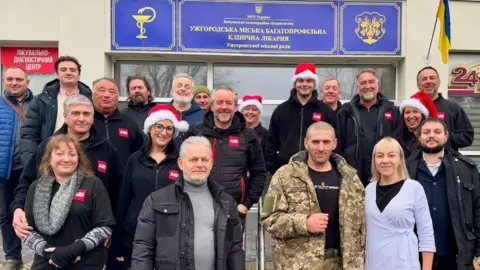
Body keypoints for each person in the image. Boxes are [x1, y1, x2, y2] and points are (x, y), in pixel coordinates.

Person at [12, 95, 123, 242]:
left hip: (92, 231)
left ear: (92, 118)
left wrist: (110, 227)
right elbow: (27, 180)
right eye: (75, 113)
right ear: (65, 116)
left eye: (86, 114)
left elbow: (118, 190)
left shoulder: (106, 148)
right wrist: (18, 208)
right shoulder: (48, 146)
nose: (82, 118)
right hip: (51, 233)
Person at [261, 121, 365, 269]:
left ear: (334, 144)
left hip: (341, 264)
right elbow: (268, 218)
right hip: (298, 264)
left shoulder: (350, 178)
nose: (321, 148)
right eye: (315, 142)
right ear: (306, 143)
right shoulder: (285, 176)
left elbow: (362, 226)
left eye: (326, 142)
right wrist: (304, 223)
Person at [131, 136, 245, 270]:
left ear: (211, 163)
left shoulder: (226, 202)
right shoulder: (156, 201)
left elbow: (235, 249)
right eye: (193, 159)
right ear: (180, 163)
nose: (200, 164)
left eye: (205, 160)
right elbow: (143, 249)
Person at [23, 135, 115, 269]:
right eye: (59, 154)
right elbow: (26, 231)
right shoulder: (36, 187)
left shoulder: (93, 184)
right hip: (46, 261)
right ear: (49, 158)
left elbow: (105, 227)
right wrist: (50, 253)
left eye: (72, 154)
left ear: (79, 158)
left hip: (85, 260)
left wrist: (74, 250)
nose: (66, 159)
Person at [113, 104, 187, 268]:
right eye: (159, 126)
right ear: (150, 128)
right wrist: (118, 241)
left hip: (170, 237)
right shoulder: (135, 160)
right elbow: (124, 200)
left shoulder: (180, 162)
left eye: (169, 128)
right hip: (136, 235)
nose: (164, 132)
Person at [185, 87, 266, 228]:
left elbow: (259, 172)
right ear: (211, 106)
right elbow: (182, 167)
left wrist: (245, 205)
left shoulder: (248, 136)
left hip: (233, 211)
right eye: (219, 102)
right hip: (197, 209)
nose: (224, 107)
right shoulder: (195, 132)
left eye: (228, 103)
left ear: (235, 107)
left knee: (230, 250)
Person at [407, 117, 480, 270]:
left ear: (446, 137)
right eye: (426, 132)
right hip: (413, 255)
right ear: (419, 137)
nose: (431, 135)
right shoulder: (404, 168)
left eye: (437, 132)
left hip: (454, 255)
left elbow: (478, 209)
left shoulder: (467, 169)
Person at [365, 137, 435, 269]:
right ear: (374, 160)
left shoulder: (414, 188)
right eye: (380, 156)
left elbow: (426, 233)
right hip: (374, 262)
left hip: (404, 262)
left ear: (400, 159)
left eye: (391, 155)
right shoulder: (368, 190)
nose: (385, 160)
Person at [265, 62, 336, 175]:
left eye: (309, 81)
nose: (304, 84)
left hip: (316, 173)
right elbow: (270, 144)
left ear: (314, 84)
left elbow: (334, 144)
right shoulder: (281, 110)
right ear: (295, 83)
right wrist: (274, 168)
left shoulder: (326, 111)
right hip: (285, 173)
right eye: (300, 80)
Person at [20, 55, 92, 166]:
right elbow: (29, 134)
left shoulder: (91, 100)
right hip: (48, 159)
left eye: (72, 70)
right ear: (57, 75)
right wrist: (32, 163)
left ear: (79, 75)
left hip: (83, 156)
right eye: (63, 70)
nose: (68, 73)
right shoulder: (41, 100)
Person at [336, 68, 401, 186]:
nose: (367, 86)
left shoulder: (392, 110)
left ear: (377, 84)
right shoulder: (345, 112)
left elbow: (399, 141)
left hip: (385, 175)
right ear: (358, 87)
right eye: (363, 83)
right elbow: (338, 145)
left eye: (371, 82)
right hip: (353, 176)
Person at [0, 66, 33, 270]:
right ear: (4, 81)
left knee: (35, 212)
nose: (14, 82)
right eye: (9, 79)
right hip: (5, 168)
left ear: (27, 82)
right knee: (6, 214)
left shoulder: (39, 103)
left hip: (30, 168)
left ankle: (40, 252)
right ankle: (13, 256)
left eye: (19, 79)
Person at [417, 66, 474, 151]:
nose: (428, 81)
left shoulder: (453, 108)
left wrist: (443, 137)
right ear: (418, 84)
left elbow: (467, 137)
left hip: (447, 161)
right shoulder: (411, 109)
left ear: (439, 82)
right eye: (424, 79)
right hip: (416, 162)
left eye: (432, 78)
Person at [91, 77, 144, 166]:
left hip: (122, 178)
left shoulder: (129, 124)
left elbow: (140, 155)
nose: (107, 95)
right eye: (101, 90)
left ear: (117, 97)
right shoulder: (83, 122)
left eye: (112, 92)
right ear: (92, 95)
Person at [393, 92, 438, 158]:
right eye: (407, 112)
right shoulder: (395, 139)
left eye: (415, 111)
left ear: (422, 115)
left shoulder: (432, 139)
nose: (411, 116)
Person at [169, 73, 205, 150]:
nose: (183, 89)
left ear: (192, 93)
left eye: (187, 87)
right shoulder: (161, 114)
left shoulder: (204, 117)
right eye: (179, 86)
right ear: (172, 91)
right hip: (165, 161)